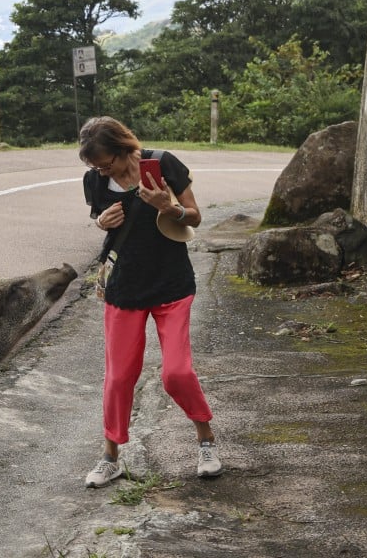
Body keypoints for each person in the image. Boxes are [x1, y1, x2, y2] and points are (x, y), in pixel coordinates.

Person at [78, 116, 223, 487]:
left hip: (171, 284)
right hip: (124, 287)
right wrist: (102, 223)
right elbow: (99, 219)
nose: (101, 170)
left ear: (123, 148)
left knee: (177, 372)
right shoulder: (94, 181)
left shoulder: (162, 164)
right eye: (96, 166)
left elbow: (194, 216)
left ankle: (206, 441)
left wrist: (167, 207)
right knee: (119, 377)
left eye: (105, 162)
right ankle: (111, 457)